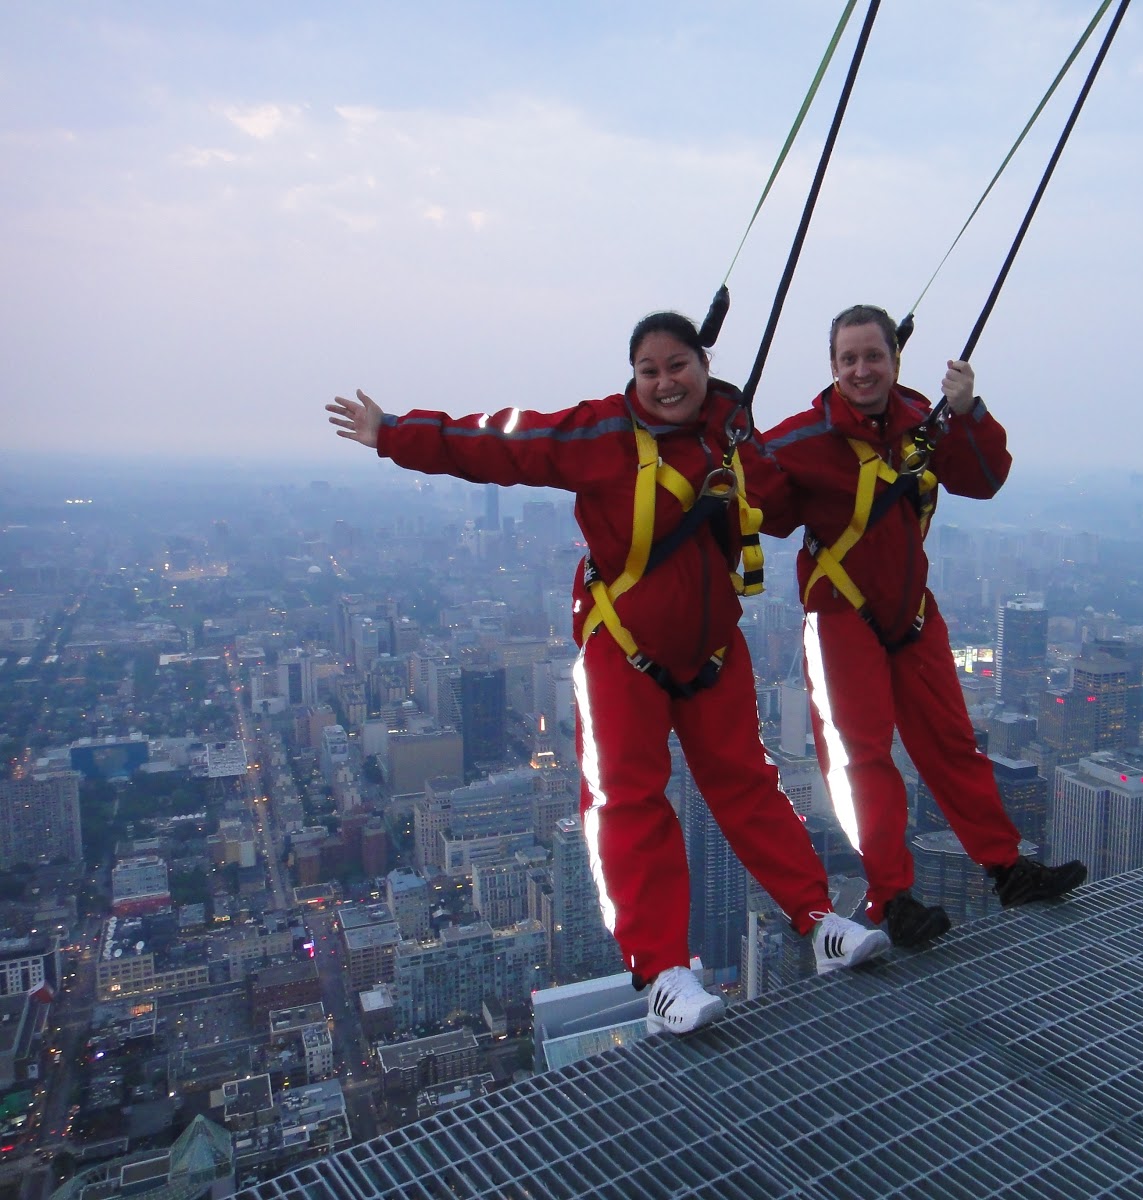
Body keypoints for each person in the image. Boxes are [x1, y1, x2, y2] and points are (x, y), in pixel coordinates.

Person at [325, 311, 887, 1034]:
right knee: (628, 798)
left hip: (714, 647)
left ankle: (818, 921)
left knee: (748, 785)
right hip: (623, 647)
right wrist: (394, 433)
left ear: (703, 365)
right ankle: (662, 973)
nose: (663, 382)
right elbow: (506, 444)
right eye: (648, 370)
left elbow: (779, 506)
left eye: (677, 365)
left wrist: (751, 454)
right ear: (633, 376)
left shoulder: (730, 432)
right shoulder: (602, 435)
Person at [761, 304, 1088, 948]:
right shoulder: (801, 439)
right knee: (862, 761)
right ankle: (892, 898)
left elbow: (985, 477)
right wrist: (731, 454)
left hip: (912, 612)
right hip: (840, 618)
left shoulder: (925, 424)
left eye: (873, 356)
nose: (862, 369)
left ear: (895, 359)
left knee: (951, 743)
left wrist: (969, 412)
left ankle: (1005, 868)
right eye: (849, 359)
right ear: (832, 368)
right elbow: (759, 507)